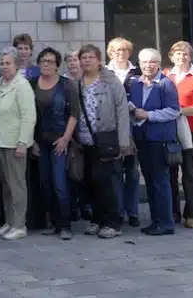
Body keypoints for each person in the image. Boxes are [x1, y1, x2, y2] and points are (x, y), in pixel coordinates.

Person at [77, 44, 130, 239]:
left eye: (91, 57)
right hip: (85, 141)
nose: (87, 61)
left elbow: (122, 111)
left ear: (99, 60)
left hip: (107, 140)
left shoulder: (110, 81)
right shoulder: (78, 82)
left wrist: (123, 142)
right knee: (92, 182)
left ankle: (113, 223)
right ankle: (97, 219)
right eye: (84, 57)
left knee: (109, 182)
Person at [130, 48, 180, 236]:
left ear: (159, 64)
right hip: (142, 139)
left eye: (152, 62)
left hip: (159, 140)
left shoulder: (166, 84)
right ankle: (156, 221)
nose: (148, 65)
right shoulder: (135, 83)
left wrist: (149, 115)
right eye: (144, 62)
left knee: (160, 182)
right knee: (150, 181)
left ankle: (166, 223)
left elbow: (174, 110)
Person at [31, 48, 79, 240]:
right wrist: (31, 140)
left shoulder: (66, 85)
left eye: (50, 61)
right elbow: (28, 114)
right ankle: (51, 222)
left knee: (60, 183)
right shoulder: (32, 83)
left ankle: (65, 225)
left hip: (60, 141)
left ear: (57, 65)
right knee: (45, 183)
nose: (46, 64)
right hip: (39, 141)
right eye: (43, 61)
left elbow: (75, 113)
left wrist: (66, 138)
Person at [0, 47, 36, 240]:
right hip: (0, 141)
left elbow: (29, 116)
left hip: (15, 143)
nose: (4, 66)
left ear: (16, 65)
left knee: (17, 185)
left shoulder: (22, 85)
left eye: (8, 63)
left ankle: (19, 225)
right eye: (1, 63)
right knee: (7, 185)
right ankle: (9, 221)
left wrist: (23, 142)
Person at [165, 41, 193, 229]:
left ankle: (191, 214)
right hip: (168, 130)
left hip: (192, 130)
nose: (181, 57)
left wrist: (177, 111)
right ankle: (173, 212)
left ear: (190, 57)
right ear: (171, 56)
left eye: (185, 54)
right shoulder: (166, 75)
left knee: (190, 173)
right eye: (177, 54)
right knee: (170, 173)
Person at [106, 37, 141, 228]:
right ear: (110, 53)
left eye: (124, 50)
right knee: (115, 172)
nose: (120, 53)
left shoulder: (138, 72)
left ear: (130, 52)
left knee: (133, 173)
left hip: (134, 128)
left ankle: (133, 212)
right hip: (113, 130)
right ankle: (118, 211)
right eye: (116, 50)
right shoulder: (104, 72)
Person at [64, 50, 90, 221]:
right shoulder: (63, 82)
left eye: (75, 59)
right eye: (69, 60)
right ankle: (73, 207)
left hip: (87, 132)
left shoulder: (87, 80)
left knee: (87, 172)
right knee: (72, 172)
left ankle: (86, 206)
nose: (73, 63)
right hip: (69, 132)